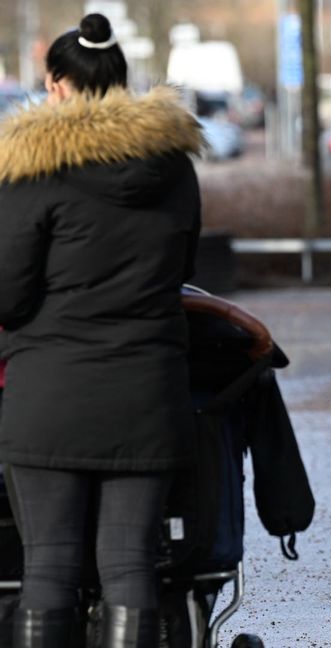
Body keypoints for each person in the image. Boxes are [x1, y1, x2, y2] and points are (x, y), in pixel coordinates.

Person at [0, 13, 203, 647]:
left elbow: (7, 293)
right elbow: (183, 269)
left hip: (48, 396)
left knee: (49, 571)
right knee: (131, 568)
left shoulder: (32, 170)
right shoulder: (175, 169)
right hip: (147, 392)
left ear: (58, 85)